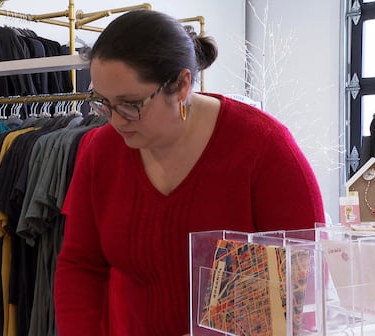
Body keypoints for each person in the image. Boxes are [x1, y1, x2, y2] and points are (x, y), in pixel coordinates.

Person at [53, 9, 325, 336]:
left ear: (181, 85)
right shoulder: (100, 150)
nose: (116, 119)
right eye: (103, 103)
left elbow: (304, 288)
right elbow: (81, 266)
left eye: (130, 104)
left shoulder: (264, 150)